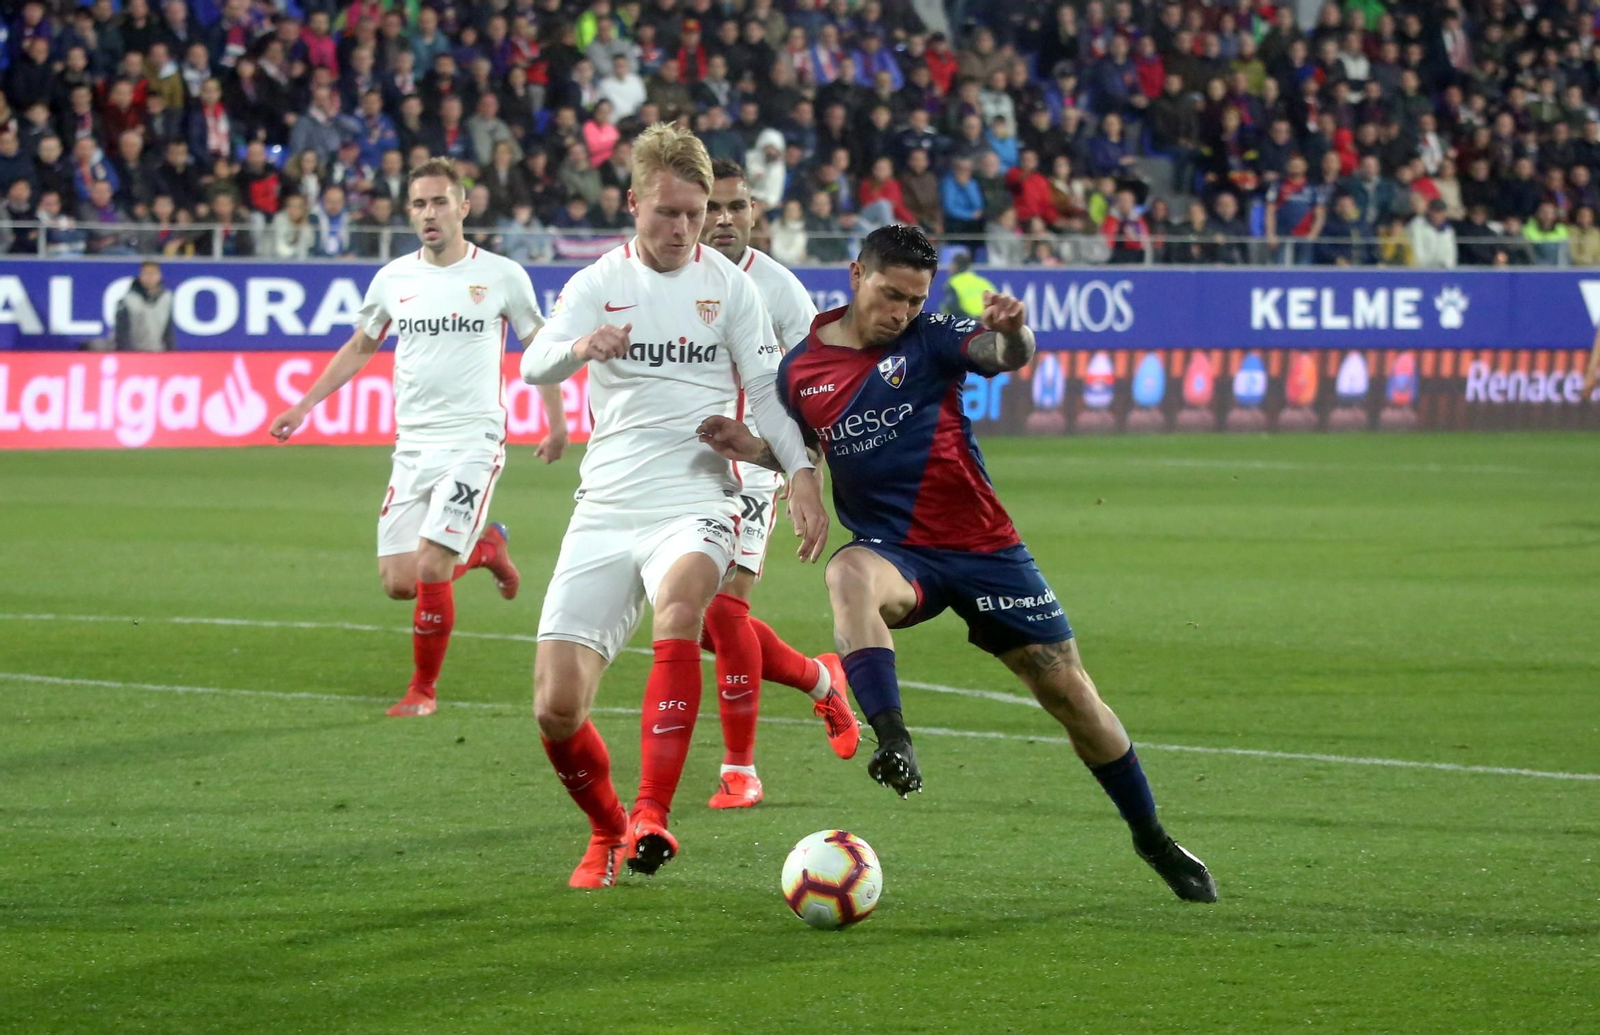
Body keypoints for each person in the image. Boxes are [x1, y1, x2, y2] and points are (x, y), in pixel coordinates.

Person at [696, 225, 1218, 904]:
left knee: (1072, 695)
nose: (901, 312)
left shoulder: (932, 335)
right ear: (856, 275)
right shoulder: (802, 370)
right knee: (846, 574)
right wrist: (755, 447)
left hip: (983, 547)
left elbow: (999, 353)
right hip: (894, 551)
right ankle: (893, 739)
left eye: (914, 299)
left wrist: (1014, 334)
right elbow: (807, 451)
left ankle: (1151, 835)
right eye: (890, 295)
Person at [518, 124, 828, 888]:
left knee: (688, 606)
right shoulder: (596, 284)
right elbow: (532, 363)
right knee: (557, 705)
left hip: (698, 495)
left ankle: (654, 813)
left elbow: (767, 392)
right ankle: (609, 827)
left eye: (694, 214)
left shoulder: (731, 288)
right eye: (668, 214)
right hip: (605, 504)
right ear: (633, 204)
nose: (685, 229)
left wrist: (799, 474)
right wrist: (583, 347)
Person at [268, 157, 569, 718]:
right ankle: (486, 551)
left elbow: (539, 350)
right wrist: (304, 404)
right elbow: (361, 345)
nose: (428, 214)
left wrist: (557, 423)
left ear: (463, 206)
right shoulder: (394, 278)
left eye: (438, 202)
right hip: (413, 443)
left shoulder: (502, 275)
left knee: (432, 563)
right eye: (419, 204)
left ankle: (423, 690)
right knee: (399, 582)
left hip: (474, 440)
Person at [696, 157, 861, 809]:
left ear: (755, 212)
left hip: (749, 474)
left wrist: (799, 471)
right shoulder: (670, 277)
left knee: (725, 613)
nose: (723, 219)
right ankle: (823, 679)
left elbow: (818, 387)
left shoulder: (781, 291)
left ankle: (740, 769)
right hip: (679, 474)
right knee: (705, 627)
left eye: (735, 206)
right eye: (712, 206)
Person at [113, 261, 176, 351]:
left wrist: (171, 353)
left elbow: (168, 330)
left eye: (153, 273)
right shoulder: (128, 301)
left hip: (158, 353)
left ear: (159, 275)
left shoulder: (166, 298)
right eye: (146, 273)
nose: (150, 277)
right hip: (134, 354)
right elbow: (122, 333)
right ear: (140, 276)